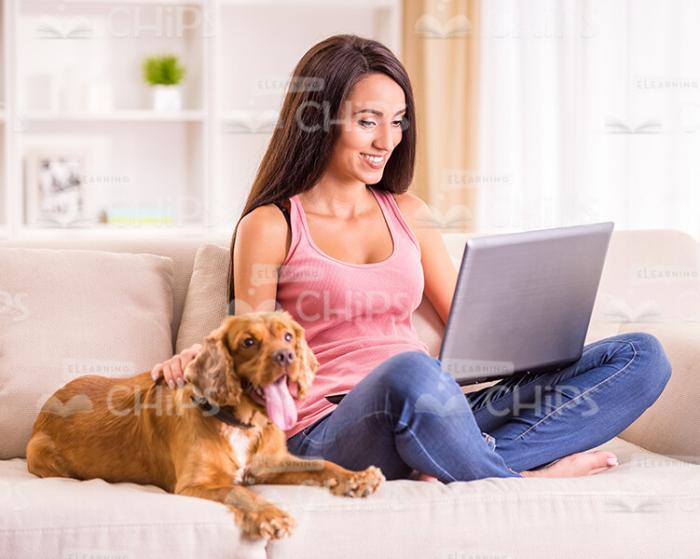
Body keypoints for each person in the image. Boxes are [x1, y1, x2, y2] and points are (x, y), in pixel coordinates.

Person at [152, 34, 673, 483]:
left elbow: (470, 338)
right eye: (368, 121)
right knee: (410, 374)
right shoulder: (272, 224)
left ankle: (458, 460)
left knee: (641, 356)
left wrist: (536, 334)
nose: (387, 140)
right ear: (319, 120)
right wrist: (203, 354)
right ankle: (517, 477)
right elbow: (253, 348)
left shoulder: (410, 213)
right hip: (329, 428)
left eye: (398, 121)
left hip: (439, 409)